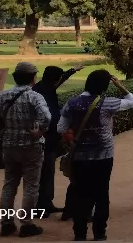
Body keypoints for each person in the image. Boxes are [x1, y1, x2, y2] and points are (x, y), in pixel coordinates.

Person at [58, 70, 133, 241]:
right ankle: (99, 232)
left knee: (80, 194)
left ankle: (79, 233)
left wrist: (71, 135)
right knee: (101, 194)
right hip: (103, 155)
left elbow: (60, 128)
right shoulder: (107, 103)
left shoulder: (71, 103)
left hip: (80, 155)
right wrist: (120, 86)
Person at [0, 62, 51, 237]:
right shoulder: (35, 97)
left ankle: (6, 223)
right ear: (33, 77)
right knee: (31, 185)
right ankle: (26, 224)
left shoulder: (2, 95)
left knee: (9, 184)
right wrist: (40, 130)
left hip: (9, 145)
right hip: (31, 146)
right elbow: (47, 117)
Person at [34, 66, 79, 217]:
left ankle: (46, 203)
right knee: (43, 171)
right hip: (45, 138)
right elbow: (50, 117)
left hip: (50, 137)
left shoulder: (43, 87)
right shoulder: (42, 93)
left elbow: (59, 81)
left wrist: (72, 71)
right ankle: (40, 206)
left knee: (48, 171)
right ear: (54, 79)